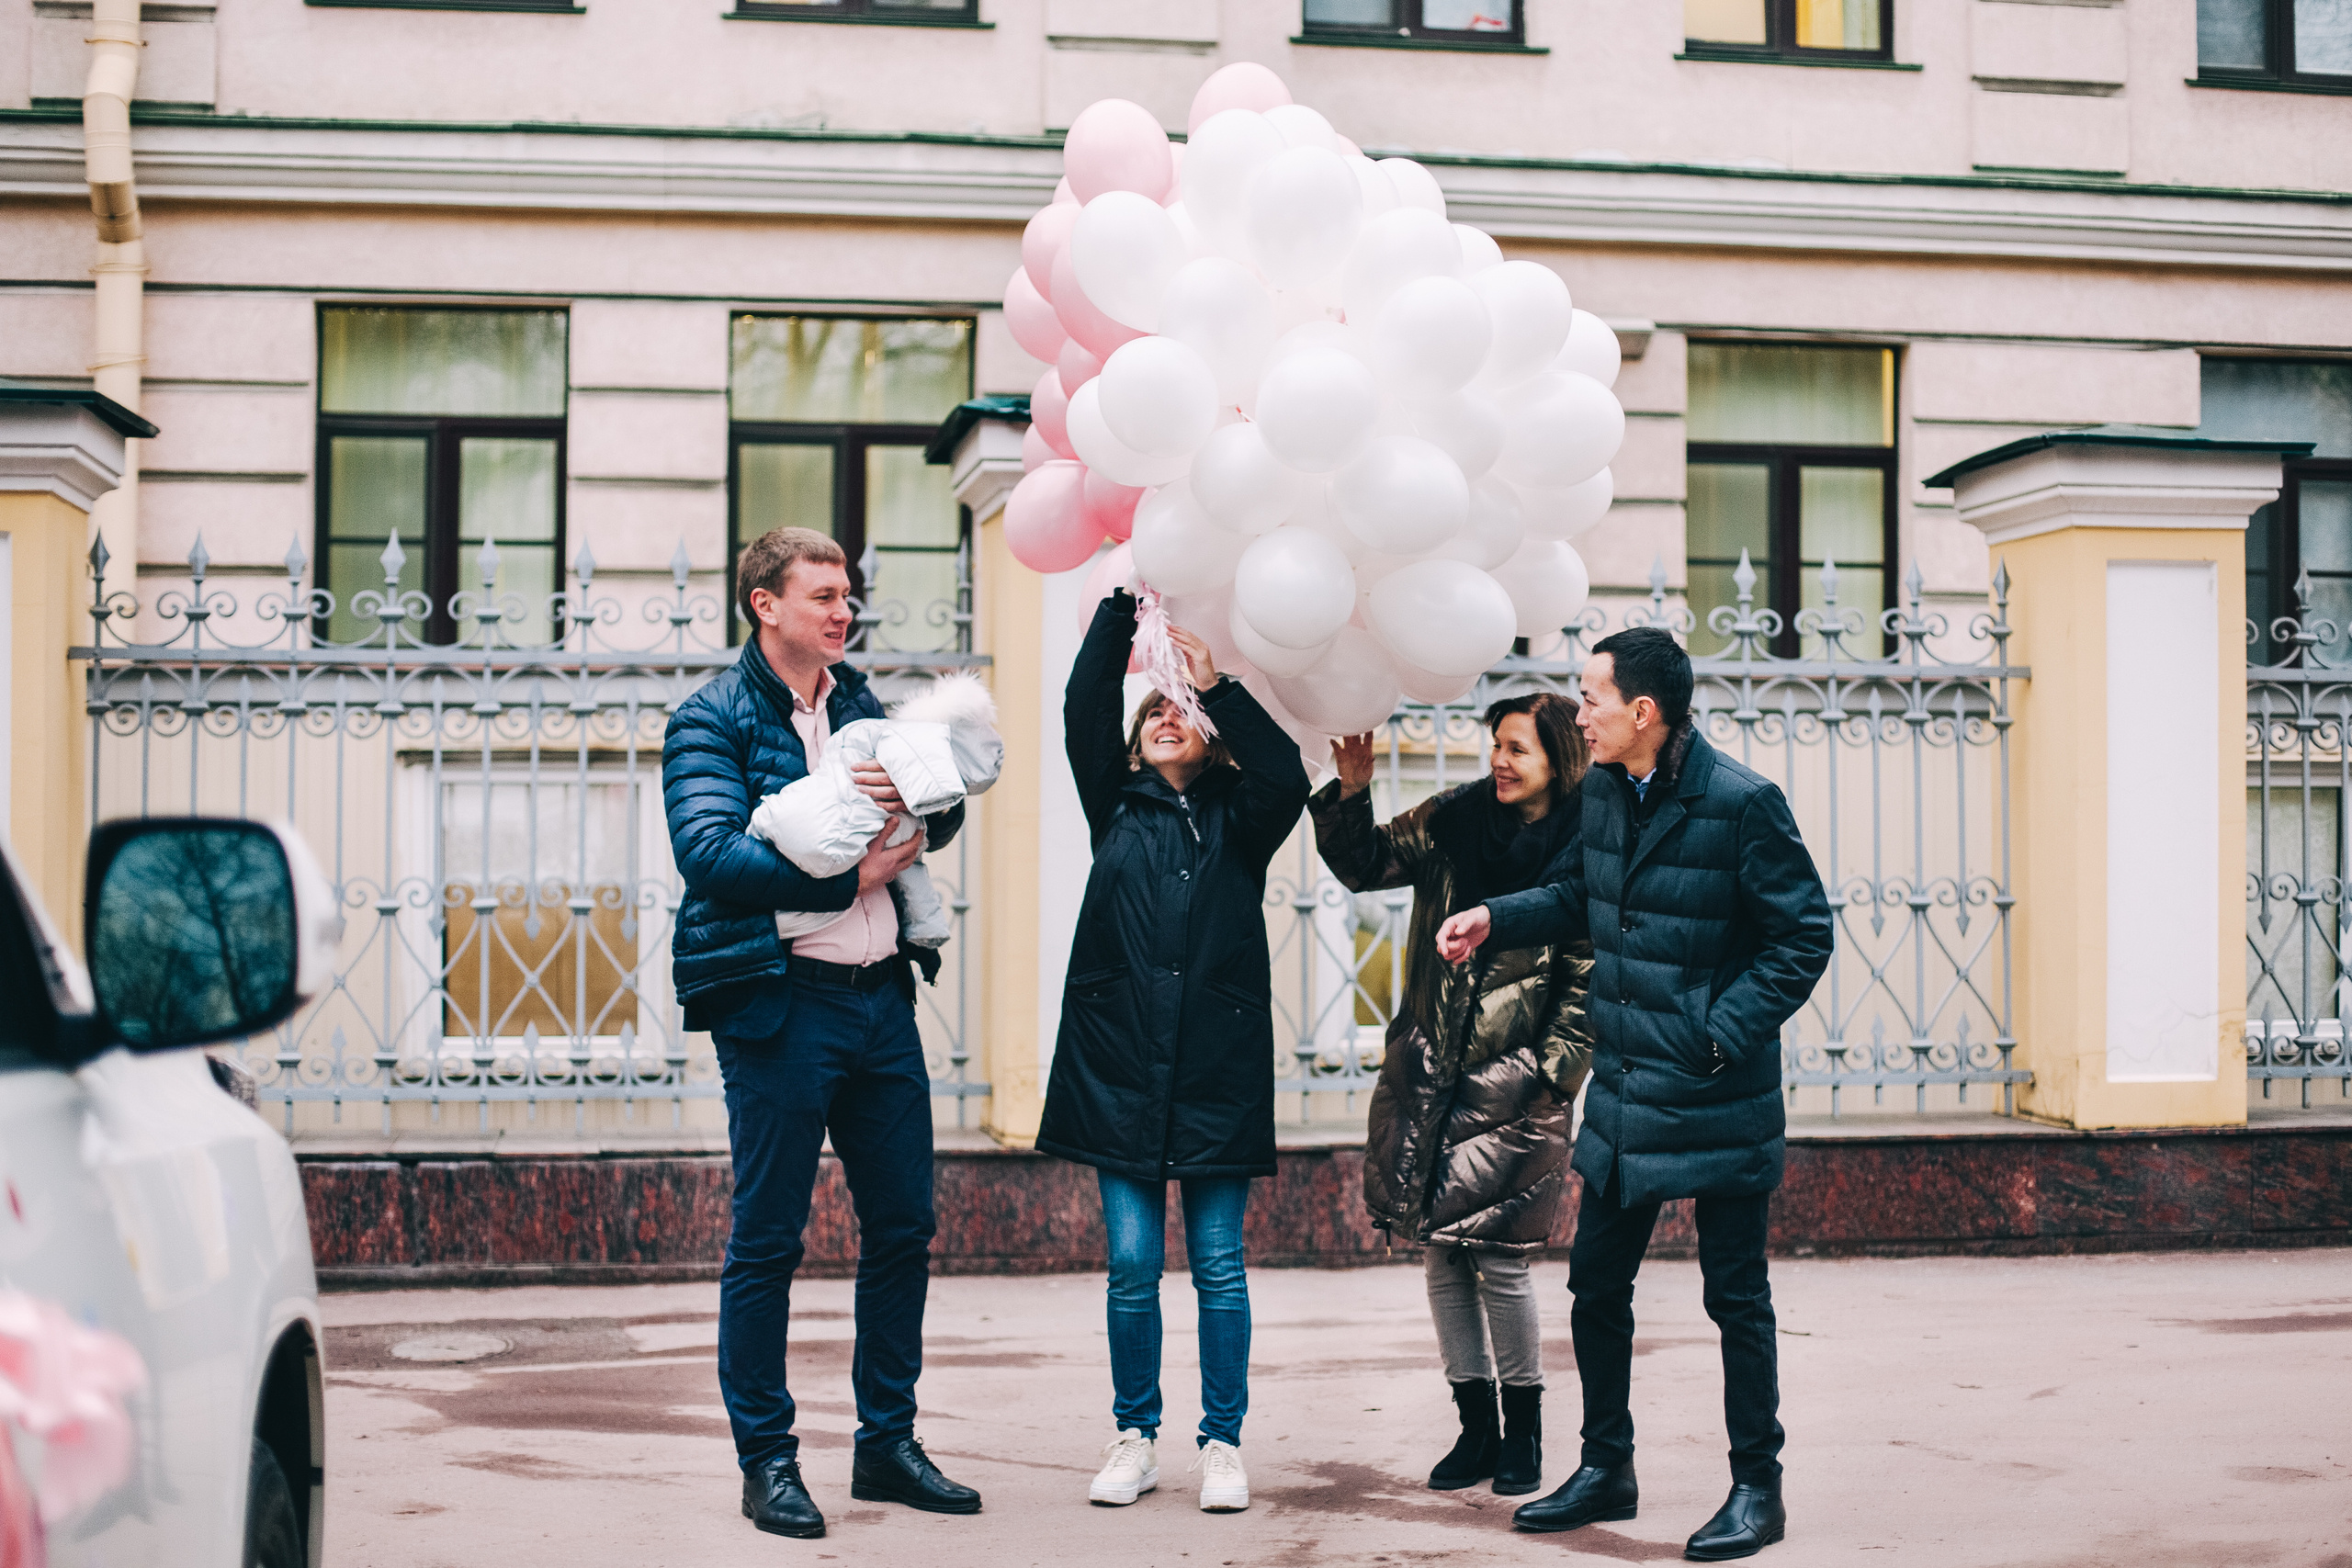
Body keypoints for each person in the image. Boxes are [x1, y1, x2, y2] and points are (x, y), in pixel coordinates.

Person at [1435, 626, 1833, 1562]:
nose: (1582, 715)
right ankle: (1605, 1467)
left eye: (1592, 700)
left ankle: (1755, 1488)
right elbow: (1578, 892)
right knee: (1594, 1287)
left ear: (1641, 713)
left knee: (1735, 1296)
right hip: (1622, 1091)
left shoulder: (1742, 804)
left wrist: (1717, 1032)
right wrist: (1498, 916)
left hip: (1712, 1089)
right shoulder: (1605, 793)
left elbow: (1801, 938)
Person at [662, 526, 984, 1540]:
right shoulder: (707, 718)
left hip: (881, 998)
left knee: (903, 1230)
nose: (844, 611)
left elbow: (939, 814)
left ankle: (886, 1445)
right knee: (767, 1242)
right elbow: (709, 856)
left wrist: (930, 801)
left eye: (849, 595)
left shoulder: (858, 703)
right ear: (765, 603)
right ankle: (768, 1461)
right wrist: (853, 877)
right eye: (824, 595)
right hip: (780, 1007)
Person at [1036, 587, 1310, 1516]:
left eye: (1178, 712)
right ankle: (1134, 1436)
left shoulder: (1244, 817)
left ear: (1209, 735)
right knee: (1128, 1265)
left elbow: (1289, 774)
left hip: (1214, 1073)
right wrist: (1121, 610)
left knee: (1220, 1268)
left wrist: (1216, 684)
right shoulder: (1113, 805)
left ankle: (1222, 1443)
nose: (1164, 719)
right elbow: (1081, 707)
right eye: (1153, 711)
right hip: (1117, 1068)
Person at [1308, 695, 1594, 1499]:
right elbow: (1364, 863)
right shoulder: (1453, 819)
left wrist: (1552, 1070)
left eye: (1518, 750)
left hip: (1517, 1084)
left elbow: (1587, 975)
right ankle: (1475, 1428)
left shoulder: (1582, 845)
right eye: (1496, 745)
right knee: (1440, 1251)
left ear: (1558, 759)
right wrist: (1351, 790)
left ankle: (1525, 1433)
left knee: (1501, 1261)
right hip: (1431, 1071)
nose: (1500, 761)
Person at [747, 669, 1003, 949]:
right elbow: (711, 855)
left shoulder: (856, 696)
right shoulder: (719, 712)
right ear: (768, 620)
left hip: (887, 978)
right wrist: (852, 883)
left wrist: (929, 803)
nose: (845, 621)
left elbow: (934, 834)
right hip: (798, 978)